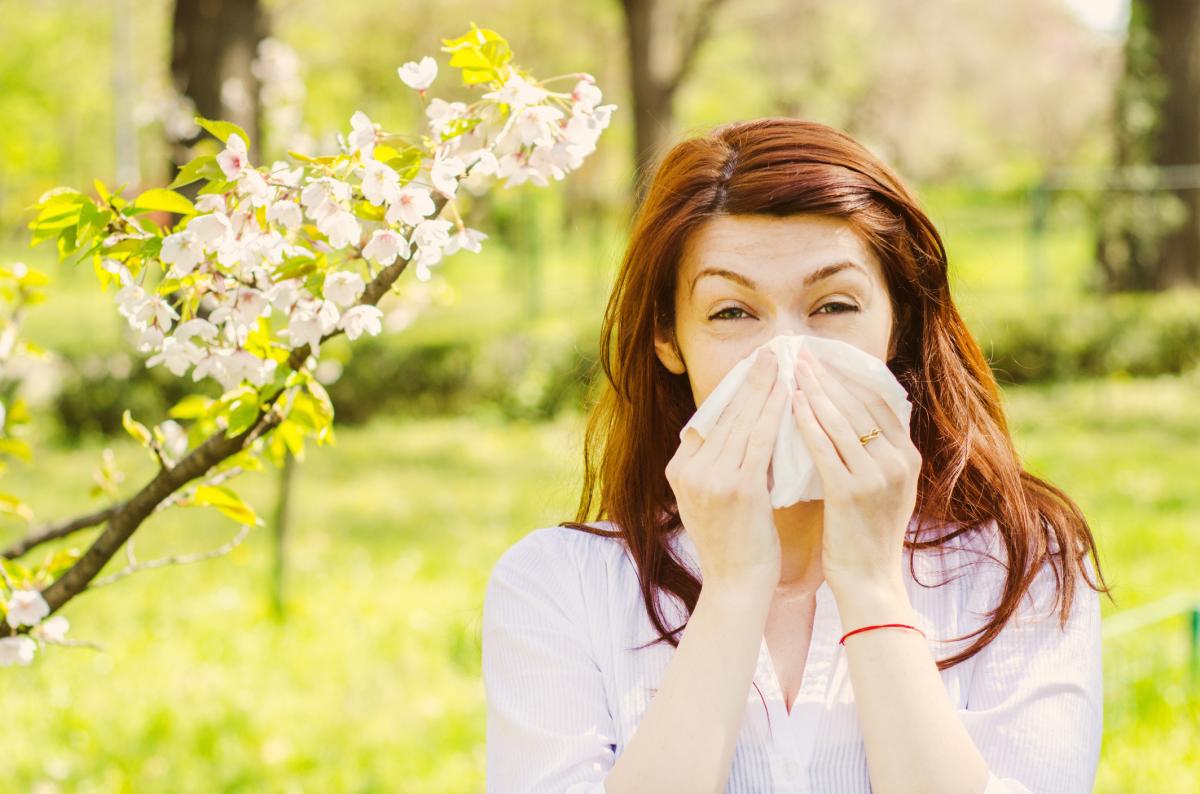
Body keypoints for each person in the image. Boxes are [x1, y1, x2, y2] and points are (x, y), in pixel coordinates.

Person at [481, 118, 1111, 793]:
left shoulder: (1018, 564)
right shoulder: (558, 587)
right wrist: (731, 593)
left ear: (897, 322)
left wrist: (871, 588)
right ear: (668, 339)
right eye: (732, 314)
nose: (786, 355)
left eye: (834, 305)